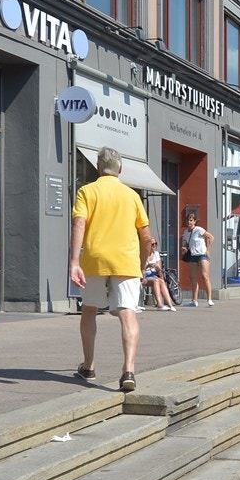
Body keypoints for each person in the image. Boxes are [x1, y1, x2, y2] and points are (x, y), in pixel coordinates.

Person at [70, 147, 154, 393]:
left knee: (89, 310)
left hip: (95, 258)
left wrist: (74, 261)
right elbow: (147, 237)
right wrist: (140, 263)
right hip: (126, 259)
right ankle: (128, 370)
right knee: (128, 312)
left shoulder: (87, 191)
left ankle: (89, 365)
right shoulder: (132, 196)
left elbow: (79, 224)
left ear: (98, 168)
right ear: (120, 169)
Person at [180, 211, 215, 307]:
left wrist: (208, 249)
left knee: (205, 276)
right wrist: (184, 248)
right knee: (193, 278)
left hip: (202, 254)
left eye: (191, 220)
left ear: (195, 221)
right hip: (192, 255)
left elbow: (211, 237)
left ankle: (209, 299)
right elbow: (186, 244)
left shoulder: (199, 230)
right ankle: (194, 300)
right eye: (188, 220)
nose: (189, 222)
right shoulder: (186, 232)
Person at [143, 240, 175, 311]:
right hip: (144, 275)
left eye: (155, 244)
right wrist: (148, 266)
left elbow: (159, 270)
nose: (154, 246)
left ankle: (170, 305)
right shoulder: (143, 254)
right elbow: (140, 268)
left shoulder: (156, 254)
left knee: (161, 281)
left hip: (153, 275)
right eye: (152, 244)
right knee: (156, 280)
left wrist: (157, 267)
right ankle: (160, 304)